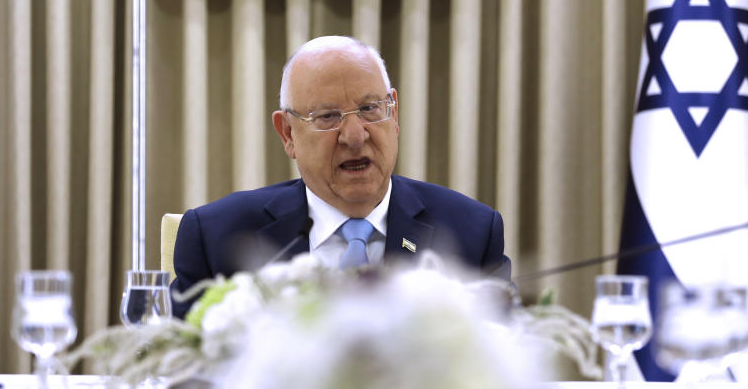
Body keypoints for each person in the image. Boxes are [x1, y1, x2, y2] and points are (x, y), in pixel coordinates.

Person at [171, 36, 510, 318]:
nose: (354, 135)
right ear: (287, 133)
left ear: (394, 112)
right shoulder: (217, 238)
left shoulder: (472, 233)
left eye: (369, 109)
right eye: (328, 116)